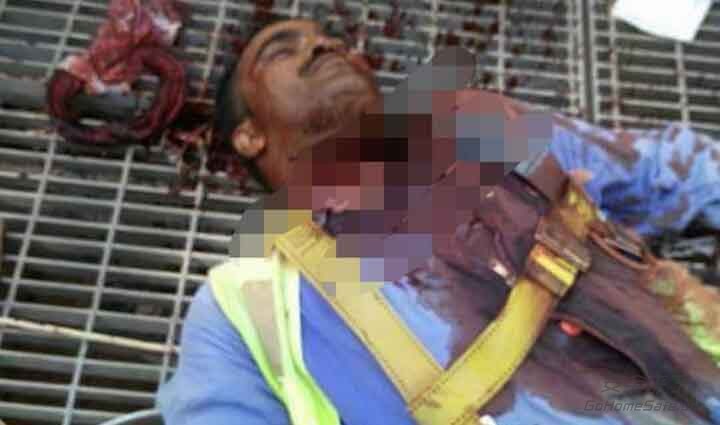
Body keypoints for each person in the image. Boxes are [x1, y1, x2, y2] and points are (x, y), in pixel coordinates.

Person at [158, 19, 720, 425]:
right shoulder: (242, 308)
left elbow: (665, 173)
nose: (323, 45)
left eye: (332, 39)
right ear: (249, 136)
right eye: (282, 49)